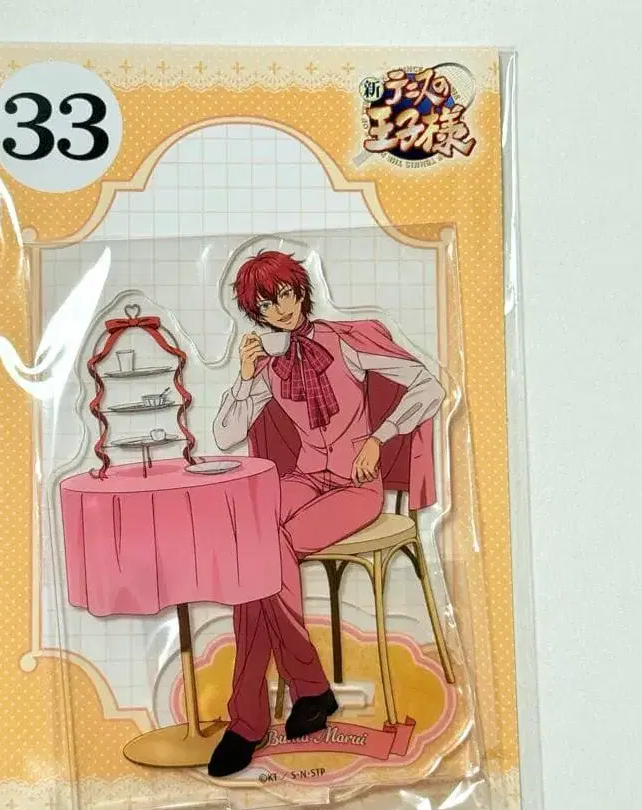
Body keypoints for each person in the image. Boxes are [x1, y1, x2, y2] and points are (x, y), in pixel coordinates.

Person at [207, 250, 445, 777]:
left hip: (356, 486)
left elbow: (429, 385)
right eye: (267, 304)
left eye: (285, 294)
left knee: (268, 549)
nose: (281, 309)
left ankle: (248, 721)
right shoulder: (267, 368)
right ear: (256, 314)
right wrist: (244, 378)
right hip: (305, 478)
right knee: (254, 546)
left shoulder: (344, 343)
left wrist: (381, 437)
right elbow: (224, 436)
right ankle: (308, 691)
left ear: (300, 291)